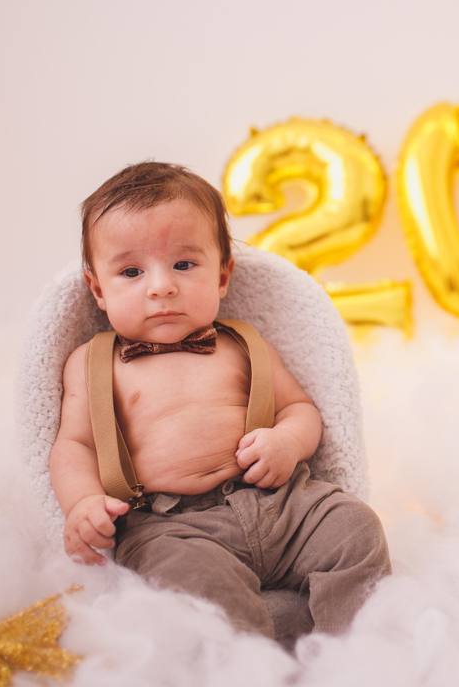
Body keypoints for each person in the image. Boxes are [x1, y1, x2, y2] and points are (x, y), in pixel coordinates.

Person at [49, 161, 389, 643]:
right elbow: (74, 445)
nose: (161, 286)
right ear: (98, 289)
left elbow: (301, 410)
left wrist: (286, 442)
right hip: (170, 527)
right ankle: (252, 660)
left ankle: (354, 651)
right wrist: (83, 503)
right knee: (193, 585)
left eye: (184, 265)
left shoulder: (243, 345)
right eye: (131, 271)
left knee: (356, 528)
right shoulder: (92, 363)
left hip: (283, 505)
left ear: (223, 275)